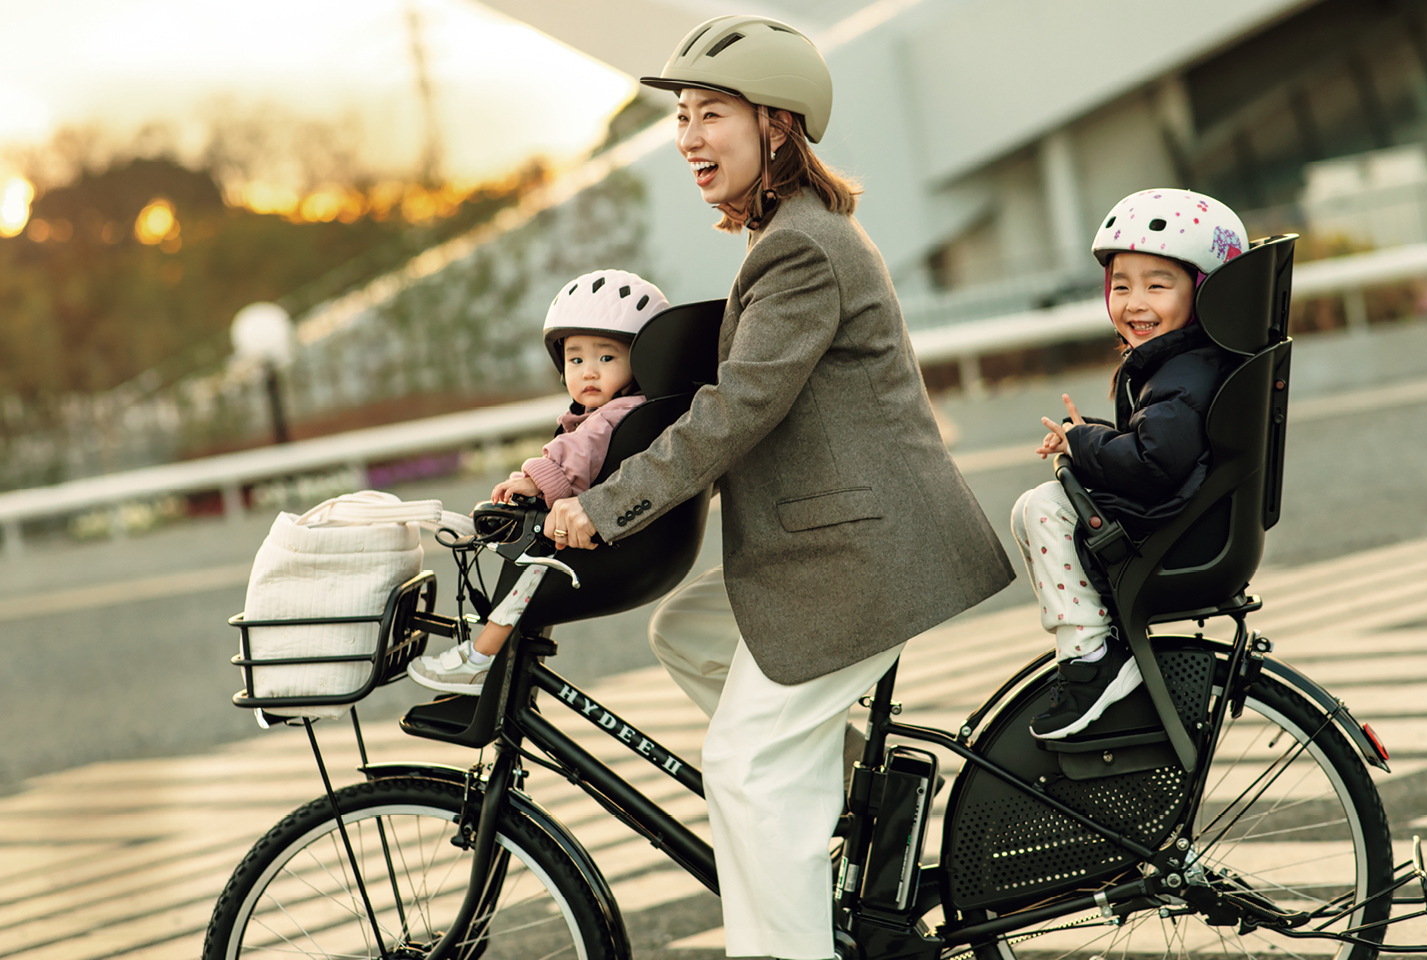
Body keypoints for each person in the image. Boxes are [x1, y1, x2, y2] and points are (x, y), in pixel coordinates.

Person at [543, 15, 1014, 960]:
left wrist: (606, 508)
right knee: (688, 632)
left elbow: (735, 412)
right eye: (682, 117)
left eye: (710, 113)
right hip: (826, 543)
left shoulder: (801, 249)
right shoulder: (788, 236)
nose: (688, 138)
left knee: (746, 768)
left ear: (779, 126)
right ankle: (844, 795)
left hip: (865, 552)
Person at [1015, 188, 1248, 740]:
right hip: (1175, 517)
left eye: (1157, 285)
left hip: (1167, 532)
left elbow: (1152, 462)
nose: (1134, 302)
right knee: (1043, 507)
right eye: (1121, 286)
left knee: (1041, 510)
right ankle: (1094, 646)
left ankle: (1091, 657)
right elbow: (1156, 443)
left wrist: (1083, 444)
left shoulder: (1183, 376)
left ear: (1204, 292)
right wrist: (1088, 437)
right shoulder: (1179, 366)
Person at [407, 269, 670, 693]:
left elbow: (580, 451)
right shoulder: (613, 410)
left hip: (599, 547)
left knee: (526, 571)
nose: (588, 372)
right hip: (602, 538)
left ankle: (479, 658)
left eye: (606, 358)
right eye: (575, 359)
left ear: (638, 363)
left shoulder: (619, 414)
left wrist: (534, 476)